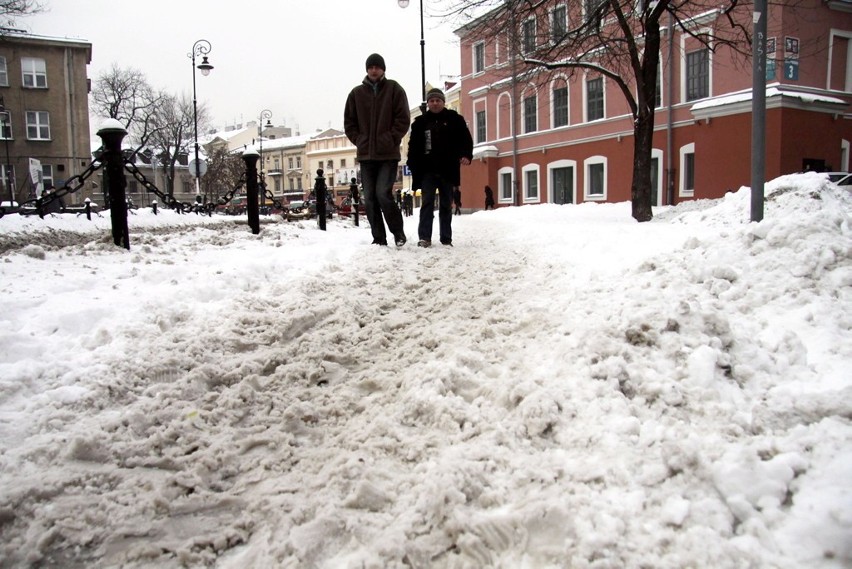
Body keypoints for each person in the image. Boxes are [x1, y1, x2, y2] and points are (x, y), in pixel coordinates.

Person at [344, 53, 410, 247]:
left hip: (387, 154)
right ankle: (378, 238)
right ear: (367, 69)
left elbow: (403, 119)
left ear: (383, 69)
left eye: (377, 67)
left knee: (383, 193)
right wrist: (359, 140)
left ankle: (398, 232)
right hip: (366, 155)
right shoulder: (356, 94)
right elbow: (349, 122)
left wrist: (390, 138)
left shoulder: (394, 89)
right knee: (370, 198)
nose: (374, 70)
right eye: (371, 67)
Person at [407, 88, 473, 247]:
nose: (435, 103)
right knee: (427, 203)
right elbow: (413, 147)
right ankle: (424, 237)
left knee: (446, 203)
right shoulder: (420, 123)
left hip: (448, 169)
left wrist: (466, 155)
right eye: (432, 100)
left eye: (438, 100)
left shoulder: (455, 119)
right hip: (427, 170)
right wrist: (413, 165)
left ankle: (446, 238)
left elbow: (466, 139)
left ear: (443, 102)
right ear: (428, 103)